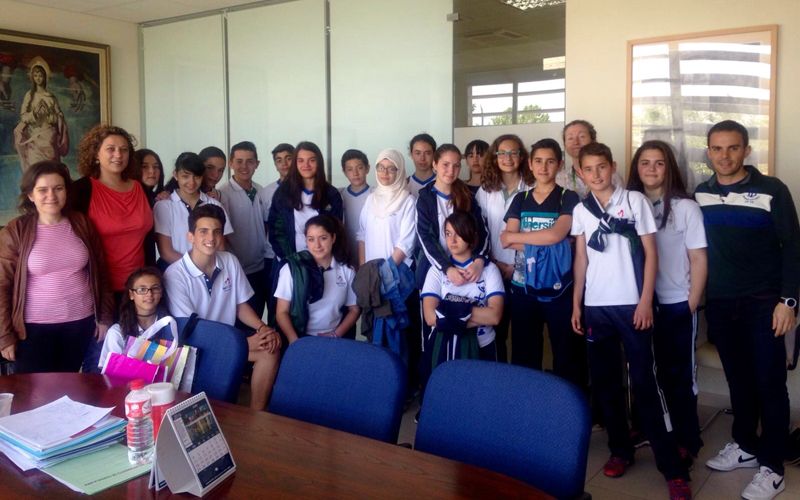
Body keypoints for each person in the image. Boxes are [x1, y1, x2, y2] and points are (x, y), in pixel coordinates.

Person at [570, 142, 691, 498]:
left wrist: (645, 300)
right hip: (596, 307)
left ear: (613, 166)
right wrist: (577, 304)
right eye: (588, 169)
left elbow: (652, 254)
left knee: (645, 385)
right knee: (606, 385)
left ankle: (673, 468)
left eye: (601, 167)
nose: (596, 174)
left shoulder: (634, 201)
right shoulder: (581, 209)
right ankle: (620, 450)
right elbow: (581, 259)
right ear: (580, 173)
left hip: (632, 306)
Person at [696, 120, 800, 500]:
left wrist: (788, 302)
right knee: (738, 381)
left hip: (764, 304)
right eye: (717, 148)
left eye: (733, 147)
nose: (725, 156)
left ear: (746, 150)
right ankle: (745, 445)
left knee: (769, 383)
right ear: (708, 152)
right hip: (722, 304)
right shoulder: (701, 193)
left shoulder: (773, 190)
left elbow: (793, 247)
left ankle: (772, 467)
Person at [627, 140, 707, 464]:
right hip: (638, 302)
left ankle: (687, 438)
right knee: (644, 371)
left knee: (679, 374)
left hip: (676, 303)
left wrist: (691, 302)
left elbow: (698, 258)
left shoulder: (686, 207)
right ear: (636, 168)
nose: (651, 169)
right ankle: (652, 428)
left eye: (659, 163)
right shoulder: (629, 204)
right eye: (645, 162)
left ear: (669, 168)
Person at [164, 204, 281, 411]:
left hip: (230, 342)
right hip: (196, 348)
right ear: (190, 236)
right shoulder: (175, 275)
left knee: (270, 349)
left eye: (217, 231)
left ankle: (257, 415)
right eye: (203, 231)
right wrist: (241, 343)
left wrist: (263, 328)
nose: (211, 237)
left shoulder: (229, 261)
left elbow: (240, 306)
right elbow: (192, 331)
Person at [0, 160, 113, 373]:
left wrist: (104, 317)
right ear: (30, 195)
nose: (51, 195)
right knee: (35, 391)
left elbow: (101, 272)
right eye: (42, 190)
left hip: (81, 324)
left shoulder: (81, 223)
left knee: (71, 387)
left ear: (66, 192)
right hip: (33, 329)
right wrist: (4, 335)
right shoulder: (16, 230)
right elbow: (2, 285)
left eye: (58, 188)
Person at [70, 124, 153, 372]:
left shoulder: (141, 188)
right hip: (100, 292)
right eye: (111, 149)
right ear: (96, 153)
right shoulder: (81, 190)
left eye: (124, 150)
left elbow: (149, 238)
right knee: (101, 362)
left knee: (138, 361)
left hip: (138, 291)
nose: (118, 155)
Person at [500, 138, 582, 382]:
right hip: (523, 287)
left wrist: (524, 238)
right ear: (530, 163)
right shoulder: (520, 199)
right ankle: (529, 401)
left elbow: (557, 234)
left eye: (550, 161)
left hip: (559, 289)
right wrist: (552, 243)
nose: (543, 167)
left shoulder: (568, 197)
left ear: (560, 164)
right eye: (538, 161)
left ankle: (565, 403)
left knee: (566, 354)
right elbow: (506, 240)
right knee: (524, 354)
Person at [356, 149, 418, 382]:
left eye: (391, 168)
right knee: (375, 330)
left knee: (397, 333)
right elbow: (362, 234)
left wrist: (385, 274)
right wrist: (365, 271)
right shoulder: (371, 199)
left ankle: (400, 386)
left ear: (400, 171)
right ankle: (378, 383)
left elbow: (406, 242)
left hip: (396, 277)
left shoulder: (407, 200)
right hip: (372, 277)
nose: (385, 173)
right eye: (381, 168)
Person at [476, 134, 534, 363]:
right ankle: (498, 378)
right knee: (495, 330)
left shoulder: (533, 187)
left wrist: (514, 266)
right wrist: (495, 263)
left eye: (513, 153)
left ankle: (521, 379)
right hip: (493, 269)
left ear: (522, 156)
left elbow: (536, 233)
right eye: (502, 153)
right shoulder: (486, 190)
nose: (508, 158)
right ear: (495, 156)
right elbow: (479, 231)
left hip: (525, 270)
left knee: (524, 333)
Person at [421, 211, 504, 366]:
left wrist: (447, 313)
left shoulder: (489, 269)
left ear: (471, 236)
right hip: (443, 344)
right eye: (448, 233)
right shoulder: (436, 271)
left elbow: (494, 316)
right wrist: (472, 315)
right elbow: (430, 317)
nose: (452, 240)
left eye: (458, 233)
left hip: (482, 345)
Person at [274, 215, 359, 343]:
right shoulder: (292, 269)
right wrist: (295, 342)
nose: (317, 245)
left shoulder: (347, 270)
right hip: (300, 337)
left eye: (323, 238)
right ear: (306, 241)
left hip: (334, 338)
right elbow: (282, 312)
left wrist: (336, 335)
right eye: (311, 239)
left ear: (333, 238)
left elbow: (354, 309)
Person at [267, 141, 343, 261]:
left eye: (311, 160)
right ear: (295, 164)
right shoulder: (283, 193)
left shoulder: (331, 194)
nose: (306, 165)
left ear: (319, 162)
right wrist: (291, 259)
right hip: (290, 260)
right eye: (301, 160)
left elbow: (336, 231)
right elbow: (276, 231)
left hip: (323, 260)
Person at [153, 152, 233, 267]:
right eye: (185, 176)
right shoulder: (164, 206)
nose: (192, 182)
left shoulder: (215, 205)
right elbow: (166, 252)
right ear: (175, 175)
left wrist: (207, 270)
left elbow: (220, 247)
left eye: (197, 176)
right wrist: (194, 270)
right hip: (175, 271)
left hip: (209, 270)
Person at [218, 141, 269, 320]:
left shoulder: (261, 191)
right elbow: (222, 235)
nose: (244, 166)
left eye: (249, 161)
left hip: (262, 267)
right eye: (239, 161)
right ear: (231, 163)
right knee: (243, 322)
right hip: (239, 270)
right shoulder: (223, 194)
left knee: (260, 315)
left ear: (257, 164)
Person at [98, 267, 171, 368]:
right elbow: (109, 371)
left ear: (161, 292)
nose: (149, 294)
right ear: (131, 294)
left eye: (155, 288)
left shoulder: (171, 327)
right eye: (142, 289)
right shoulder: (117, 332)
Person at [258, 143, 295, 325]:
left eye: (288, 158)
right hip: (272, 257)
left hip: (299, 256)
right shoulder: (266, 192)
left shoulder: (306, 187)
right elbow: (266, 225)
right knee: (275, 304)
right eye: (279, 160)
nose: (284, 164)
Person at [13, 59, 69, 173]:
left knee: (51, 170)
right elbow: (23, 116)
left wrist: (51, 116)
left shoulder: (51, 97)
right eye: (35, 76)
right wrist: (35, 114)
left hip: (49, 138)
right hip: (34, 138)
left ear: (45, 77)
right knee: (36, 171)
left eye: (40, 75)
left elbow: (59, 116)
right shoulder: (30, 95)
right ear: (32, 78)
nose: (38, 78)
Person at [339, 149, 371, 267]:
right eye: (350, 169)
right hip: (346, 252)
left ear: (367, 168)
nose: (355, 173)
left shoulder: (375, 194)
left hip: (370, 251)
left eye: (360, 168)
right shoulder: (340, 195)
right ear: (344, 172)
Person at [134, 148, 165, 266]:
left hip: (149, 263)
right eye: (145, 167)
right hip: (132, 265)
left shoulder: (156, 197)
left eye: (156, 167)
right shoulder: (131, 198)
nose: (152, 171)